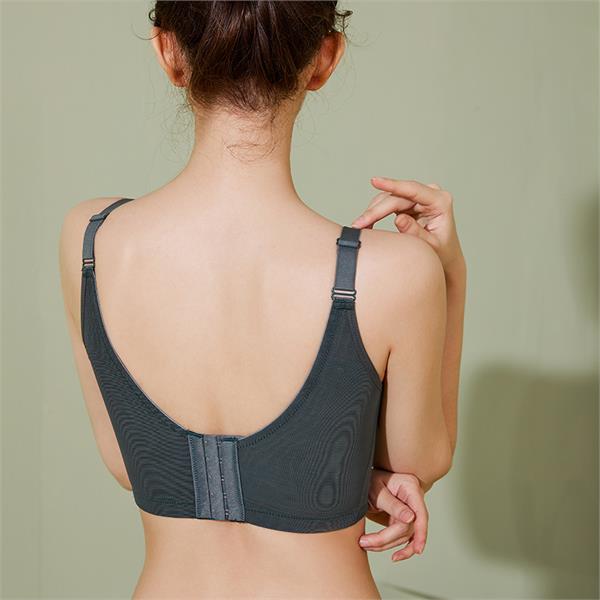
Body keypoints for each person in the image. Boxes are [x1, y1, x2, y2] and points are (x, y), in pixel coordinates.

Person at [58, 2, 466, 598]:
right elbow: (420, 463)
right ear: (324, 59)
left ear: (168, 52)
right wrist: (449, 272)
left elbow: (131, 466)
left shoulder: (89, 241)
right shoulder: (394, 274)